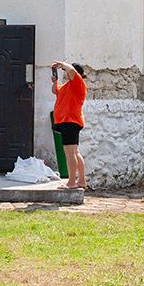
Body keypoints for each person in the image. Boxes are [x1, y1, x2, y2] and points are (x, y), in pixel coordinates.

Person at [51, 60, 88, 190]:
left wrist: (62, 64)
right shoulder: (68, 86)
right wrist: (55, 81)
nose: (66, 73)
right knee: (75, 152)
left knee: (69, 153)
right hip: (68, 121)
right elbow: (55, 91)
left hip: (70, 121)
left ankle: (72, 182)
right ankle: (82, 181)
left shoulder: (78, 83)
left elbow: (71, 71)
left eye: (66, 71)